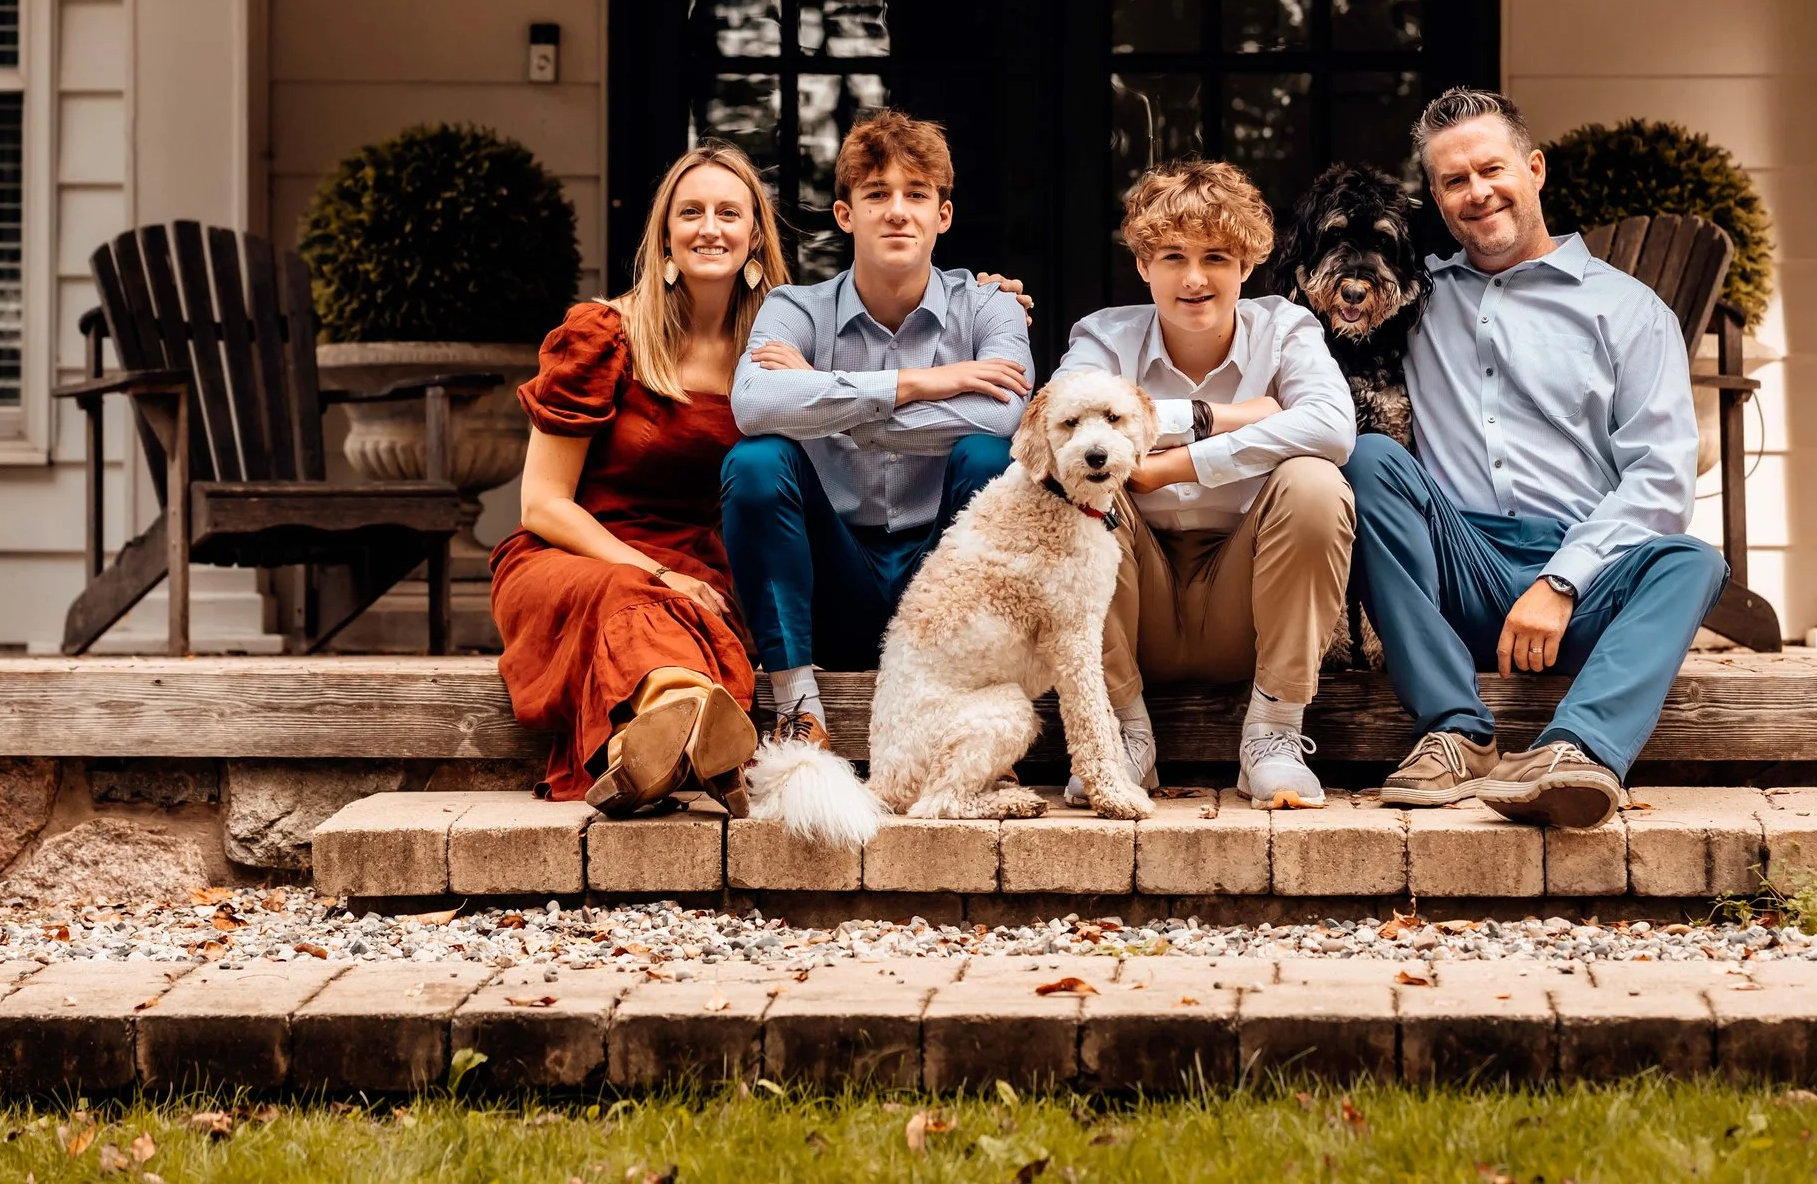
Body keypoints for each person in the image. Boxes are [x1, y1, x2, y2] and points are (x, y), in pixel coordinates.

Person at [1344, 87, 1728, 829]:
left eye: (1492, 169)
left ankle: (1576, 750)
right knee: (1366, 459)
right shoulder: (1413, 300)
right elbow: (1291, 329)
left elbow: (1661, 474)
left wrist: (1564, 579)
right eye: (1454, 180)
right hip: (1462, 566)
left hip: (1583, 579)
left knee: (1691, 560)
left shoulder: (1628, 310)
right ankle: (1455, 728)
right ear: (1436, 195)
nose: (1478, 192)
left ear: (1535, 168)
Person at [723, 109, 1031, 763]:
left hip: (942, 581)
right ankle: (798, 709)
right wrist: (921, 383)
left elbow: (1002, 414)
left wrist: (823, 395)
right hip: (831, 575)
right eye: (876, 194)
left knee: (988, 457)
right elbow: (753, 405)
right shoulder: (792, 308)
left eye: (916, 194)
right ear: (844, 214)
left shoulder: (992, 306)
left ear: (943, 215)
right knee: (755, 461)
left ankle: (965, 696)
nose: (897, 211)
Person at [490, 143, 790, 815]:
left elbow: (878, 348)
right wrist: (657, 573)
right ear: (665, 235)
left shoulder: (777, 352)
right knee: (631, 591)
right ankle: (686, 720)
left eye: (727, 212)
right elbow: (540, 503)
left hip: (699, 566)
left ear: (754, 237)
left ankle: (645, 755)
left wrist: (980, 299)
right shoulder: (605, 332)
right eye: (691, 212)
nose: (709, 227)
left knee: (685, 608)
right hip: (568, 557)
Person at [1054, 161, 1358, 809]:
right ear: (1143, 263)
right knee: (1072, 492)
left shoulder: (1285, 328)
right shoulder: (1103, 336)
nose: (1195, 278)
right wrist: (1238, 414)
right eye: (1173, 255)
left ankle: (1274, 735)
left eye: (1216, 256)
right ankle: (1120, 733)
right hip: (1136, 599)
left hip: (1246, 599)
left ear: (1246, 263)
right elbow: (1069, 431)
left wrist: (1179, 456)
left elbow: (1333, 428)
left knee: (1314, 483)